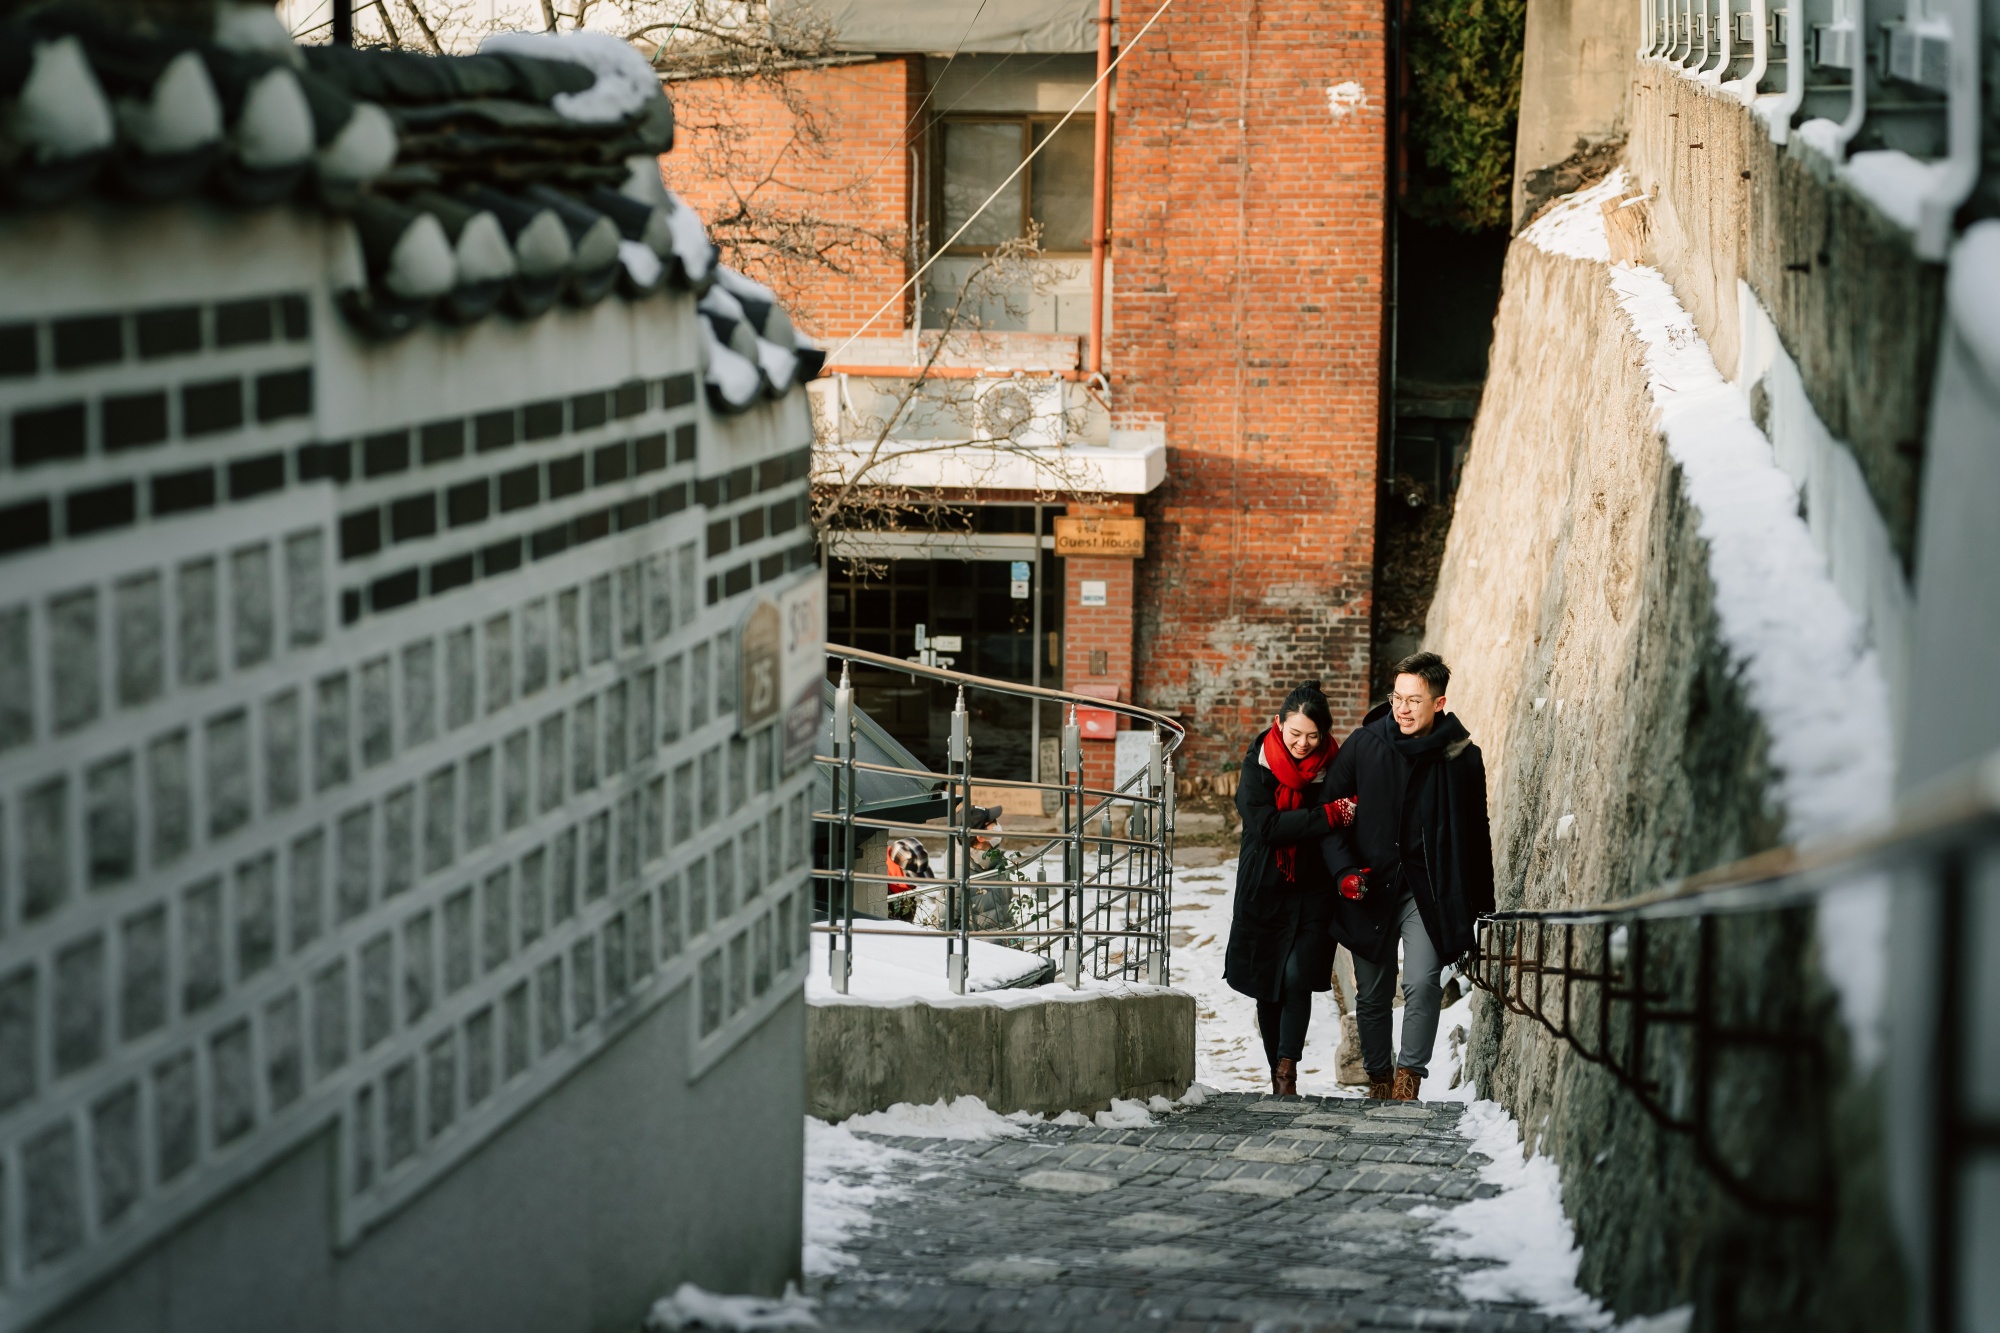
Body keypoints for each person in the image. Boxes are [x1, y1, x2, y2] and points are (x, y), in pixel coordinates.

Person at [1320, 652, 1494, 1101]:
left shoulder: (1462, 757)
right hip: (1369, 886)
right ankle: (1378, 1078)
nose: (1402, 708)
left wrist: (1482, 906)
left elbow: (1477, 833)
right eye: (1397, 697)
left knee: (1420, 983)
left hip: (1427, 892)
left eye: (1414, 700)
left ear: (1438, 703)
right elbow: (1327, 819)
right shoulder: (1365, 745)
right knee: (1373, 995)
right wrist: (1343, 872)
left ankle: (1406, 1082)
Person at [1224, 681, 1359, 1096]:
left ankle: (1286, 1073)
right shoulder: (1258, 762)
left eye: (1312, 736)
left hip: (1313, 889)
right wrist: (1328, 816)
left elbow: (1350, 814)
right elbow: (1266, 827)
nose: (1302, 744)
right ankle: (1276, 1069)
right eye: (1295, 733)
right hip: (1263, 886)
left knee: (1298, 976)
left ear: (1326, 734)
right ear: (1278, 724)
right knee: (1269, 985)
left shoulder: (1335, 766)